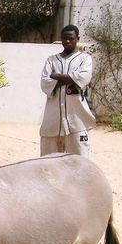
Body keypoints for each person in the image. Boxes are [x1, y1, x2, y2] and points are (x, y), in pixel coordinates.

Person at [40, 25, 95, 157]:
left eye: (71, 38)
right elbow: (45, 82)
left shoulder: (84, 59)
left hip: (77, 121)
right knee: (48, 161)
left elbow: (83, 77)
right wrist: (71, 78)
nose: (68, 41)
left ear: (77, 39)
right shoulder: (52, 60)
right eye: (65, 38)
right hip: (53, 121)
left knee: (80, 159)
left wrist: (57, 76)